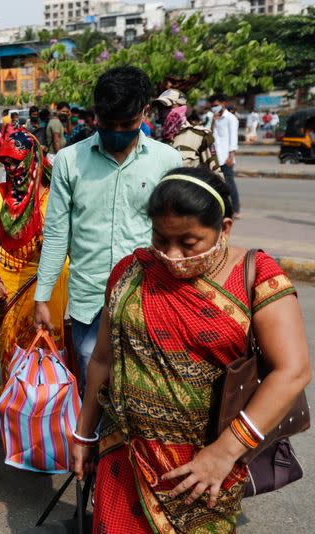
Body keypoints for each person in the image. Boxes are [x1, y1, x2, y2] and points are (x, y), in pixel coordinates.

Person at [71, 167, 311, 533]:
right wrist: (84, 434)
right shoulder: (131, 272)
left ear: (224, 229)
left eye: (189, 242)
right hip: (124, 455)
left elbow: (292, 371)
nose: (171, 254)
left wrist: (225, 452)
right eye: (160, 238)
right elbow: (103, 359)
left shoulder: (257, 276)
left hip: (205, 467)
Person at [34, 66, 183, 392]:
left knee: (146, 393)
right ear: (95, 116)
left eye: (126, 125)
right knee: (94, 390)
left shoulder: (167, 161)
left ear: (145, 112)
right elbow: (58, 233)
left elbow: (178, 236)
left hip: (149, 300)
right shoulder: (68, 161)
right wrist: (42, 297)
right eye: (108, 124)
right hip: (89, 304)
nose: (117, 132)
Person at [0, 131, 69, 386]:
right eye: (6, 163)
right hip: (9, 278)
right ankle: (15, 412)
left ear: (34, 158)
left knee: (51, 348)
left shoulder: (57, 193)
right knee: (12, 349)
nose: (12, 169)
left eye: (17, 161)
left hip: (51, 279)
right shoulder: (0, 195)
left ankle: (47, 414)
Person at [153, 89, 222, 177]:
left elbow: (216, 174)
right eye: (160, 108)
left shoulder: (200, 136)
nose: (162, 112)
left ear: (181, 108)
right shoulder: (157, 141)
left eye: (167, 107)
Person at [209, 94, 241, 218]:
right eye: (212, 106)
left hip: (226, 156)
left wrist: (231, 156)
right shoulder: (215, 118)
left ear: (223, 104)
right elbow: (211, 135)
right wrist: (213, 122)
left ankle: (236, 209)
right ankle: (222, 209)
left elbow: (233, 138)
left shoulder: (231, 119)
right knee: (217, 184)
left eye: (216, 105)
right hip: (215, 156)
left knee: (229, 184)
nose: (214, 108)